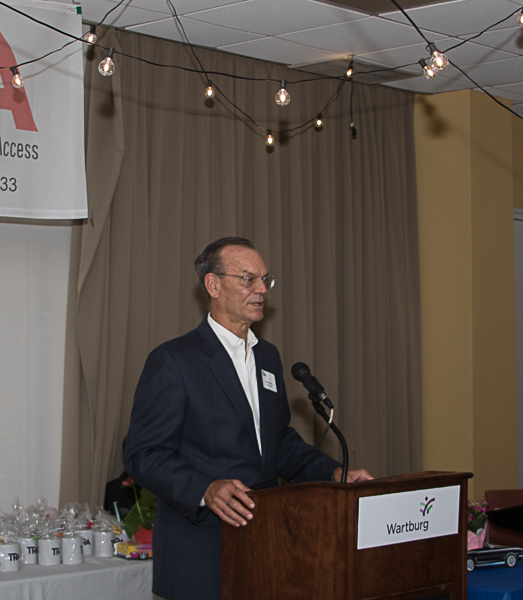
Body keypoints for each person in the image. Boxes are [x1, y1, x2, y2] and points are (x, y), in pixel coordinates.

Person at [125, 236, 373, 600]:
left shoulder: (268, 357)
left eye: (265, 280)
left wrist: (335, 473)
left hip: (265, 541)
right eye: (248, 279)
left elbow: (279, 441)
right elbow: (144, 455)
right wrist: (205, 489)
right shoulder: (174, 360)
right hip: (201, 548)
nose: (261, 290)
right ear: (213, 284)